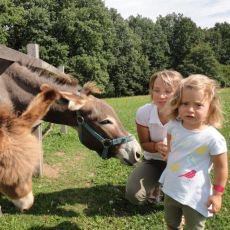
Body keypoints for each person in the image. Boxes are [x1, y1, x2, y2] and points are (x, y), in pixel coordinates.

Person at [159, 74, 228, 230]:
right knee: (171, 223)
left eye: (198, 105)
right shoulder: (174, 125)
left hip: (195, 195)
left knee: (194, 227)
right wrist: (170, 151)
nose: (190, 109)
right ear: (177, 104)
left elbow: (221, 168)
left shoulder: (213, 138)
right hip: (171, 188)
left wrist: (217, 195)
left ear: (211, 107)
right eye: (184, 103)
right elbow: (170, 136)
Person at [125, 70, 183, 205]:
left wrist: (173, 148)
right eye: (156, 90)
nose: (161, 96)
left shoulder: (185, 113)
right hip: (154, 160)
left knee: (181, 198)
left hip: (182, 162)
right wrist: (157, 146)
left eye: (168, 91)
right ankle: (159, 183)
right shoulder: (144, 112)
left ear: (179, 93)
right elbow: (145, 143)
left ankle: (166, 187)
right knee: (134, 195)